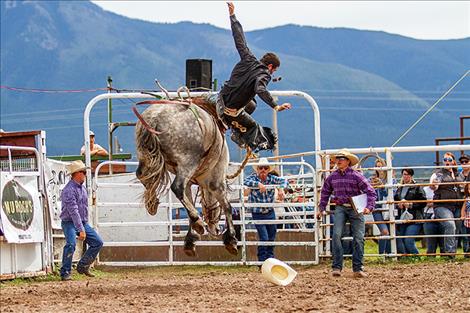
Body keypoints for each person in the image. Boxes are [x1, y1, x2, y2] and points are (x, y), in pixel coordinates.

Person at [217, 2, 292, 152]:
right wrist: (275, 105)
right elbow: (259, 88)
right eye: (273, 71)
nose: (272, 74)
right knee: (260, 131)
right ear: (270, 67)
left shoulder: (248, 57)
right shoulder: (264, 74)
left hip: (220, 98)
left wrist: (233, 16)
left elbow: (240, 40)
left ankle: (234, 127)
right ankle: (237, 133)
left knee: (251, 104)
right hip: (230, 110)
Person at [318, 149, 376, 278]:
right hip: (341, 207)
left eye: (341, 159)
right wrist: (321, 207)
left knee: (358, 238)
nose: (338, 161)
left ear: (348, 161)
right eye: (337, 158)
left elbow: (371, 192)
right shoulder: (333, 177)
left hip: (355, 208)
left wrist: (369, 207)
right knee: (337, 235)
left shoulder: (356, 176)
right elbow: (325, 192)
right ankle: (337, 267)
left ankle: (357, 267)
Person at [60, 160, 103, 281]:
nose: (85, 174)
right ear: (77, 173)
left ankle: (83, 265)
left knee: (98, 242)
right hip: (71, 222)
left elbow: (80, 210)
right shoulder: (69, 191)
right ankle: (65, 272)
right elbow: (74, 212)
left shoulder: (81, 188)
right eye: (83, 172)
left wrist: (82, 226)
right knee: (71, 244)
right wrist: (81, 229)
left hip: (81, 222)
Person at [244, 158, 288, 263]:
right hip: (257, 212)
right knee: (264, 237)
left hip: (269, 211)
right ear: (257, 170)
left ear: (268, 170)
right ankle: (262, 261)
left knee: (271, 236)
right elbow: (245, 181)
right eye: (261, 168)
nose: (263, 170)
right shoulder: (253, 178)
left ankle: (269, 260)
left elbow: (284, 181)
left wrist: (280, 189)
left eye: (265, 168)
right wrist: (258, 184)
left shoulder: (272, 179)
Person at [430, 152, 462, 258]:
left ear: (453, 161)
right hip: (442, 205)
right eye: (445, 160)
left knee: (455, 228)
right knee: (450, 225)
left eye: (449, 159)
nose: (447, 162)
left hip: (457, 205)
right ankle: (450, 253)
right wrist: (434, 185)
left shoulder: (458, 174)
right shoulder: (438, 174)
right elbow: (434, 185)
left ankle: (449, 252)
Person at [394, 168, 426, 255]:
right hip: (403, 217)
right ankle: (410, 257)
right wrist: (398, 205)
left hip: (415, 218)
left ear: (411, 176)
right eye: (404, 174)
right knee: (403, 239)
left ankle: (416, 256)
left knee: (408, 240)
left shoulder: (417, 187)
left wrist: (410, 204)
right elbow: (395, 200)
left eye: (408, 174)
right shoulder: (400, 188)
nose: (406, 176)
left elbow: (423, 202)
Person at [369, 158, 391, 255]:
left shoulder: (391, 180)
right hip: (377, 209)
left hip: (388, 208)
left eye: (381, 166)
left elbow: (389, 194)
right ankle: (381, 254)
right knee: (385, 231)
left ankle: (389, 254)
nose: (379, 169)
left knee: (390, 232)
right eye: (377, 167)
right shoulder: (371, 180)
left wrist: (381, 187)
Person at [461, 182, 470, 258]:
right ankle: (467, 252)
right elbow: (464, 208)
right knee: (467, 237)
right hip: (468, 222)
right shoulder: (467, 199)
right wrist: (462, 215)